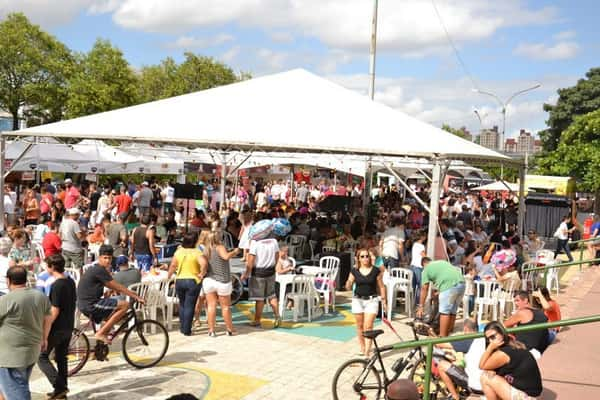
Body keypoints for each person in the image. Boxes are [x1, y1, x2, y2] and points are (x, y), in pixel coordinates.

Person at [0, 266, 51, 400]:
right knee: (18, 386)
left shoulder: (6, 300)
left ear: (8, 280)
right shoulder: (40, 296)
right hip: (32, 351)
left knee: (16, 392)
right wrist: (44, 338)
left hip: (10, 357)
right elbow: (48, 319)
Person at [77, 245, 144, 344]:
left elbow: (110, 287)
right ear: (99, 257)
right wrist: (135, 296)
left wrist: (115, 292)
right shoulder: (99, 270)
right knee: (125, 305)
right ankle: (101, 333)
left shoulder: (96, 269)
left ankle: (98, 350)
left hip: (85, 303)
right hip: (90, 304)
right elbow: (116, 286)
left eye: (109, 258)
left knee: (108, 319)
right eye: (105, 258)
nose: (107, 261)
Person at [37, 254, 76, 400]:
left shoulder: (57, 285)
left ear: (52, 267)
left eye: (47, 265)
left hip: (58, 327)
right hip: (68, 325)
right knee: (61, 358)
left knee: (41, 357)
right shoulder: (70, 282)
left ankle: (59, 387)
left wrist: (44, 332)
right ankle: (61, 391)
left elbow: (54, 310)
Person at [479, 321, 543, 400]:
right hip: (534, 395)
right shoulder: (513, 344)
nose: (491, 341)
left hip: (528, 397)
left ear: (502, 333)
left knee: (485, 377)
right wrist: (491, 369)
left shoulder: (503, 353)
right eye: (488, 339)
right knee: (490, 377)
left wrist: (489, 348)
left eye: (493, 337)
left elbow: (481, 365)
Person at [345, 247, 386, 356]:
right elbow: (349, 282)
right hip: (357, 300)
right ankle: (362, 348)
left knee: (368, 326)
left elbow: (381, 287)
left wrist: (384, 300)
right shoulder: (354, 270)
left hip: (371, 300)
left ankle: (367, 353)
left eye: (367, 256)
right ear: (358, 259)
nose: (365, 258)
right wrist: (348, 284)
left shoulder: (376, 270)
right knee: (359, 326)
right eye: (362, 256)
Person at [435, 319, 486, 400]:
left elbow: (440, 344)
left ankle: (455, 396)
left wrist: (430, 333)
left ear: (465, 329)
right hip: (486, 381)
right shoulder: (483, 338)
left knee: (441, 365)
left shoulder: (468, 340)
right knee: (457, 365)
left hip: (475, 384)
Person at [242, 227, 282, 328]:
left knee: (259, 298)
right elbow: (277, 255)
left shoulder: (255, 243)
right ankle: (277, 316)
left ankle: (257, 320)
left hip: (258, 272)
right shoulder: (274, 241)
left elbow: (250, 261)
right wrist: (275, 264)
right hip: (271, 270)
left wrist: (246, 273)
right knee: (272, 295)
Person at [202, 231, 240, 337]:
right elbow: (226, 257)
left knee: (211, 305)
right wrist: (235, 252)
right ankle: (229, 329)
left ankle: (211, 330)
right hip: (222, 280)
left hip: (209, 280)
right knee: (225, 307)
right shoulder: (220, 247)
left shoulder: (206, 249)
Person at [167, 232, 206, 336]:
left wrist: (168, 276)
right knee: (190, 305)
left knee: (182, 304)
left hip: (180, 280)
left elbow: (173, 265)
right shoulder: (197, 252)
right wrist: (202, 273)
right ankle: (187, 329)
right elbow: (204, 263)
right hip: (193, 280)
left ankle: (182, 326)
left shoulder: (179, 251)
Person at [416, 258, 465, 337]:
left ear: (424, 265)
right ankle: (449, 330)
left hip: (449, 285)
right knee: (452, 309)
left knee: (444, 311)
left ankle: (442, 336)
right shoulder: (442, 262)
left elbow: (424, 288)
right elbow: (445, 278)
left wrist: (421, 306)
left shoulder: (426, 270)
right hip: (461, 284)